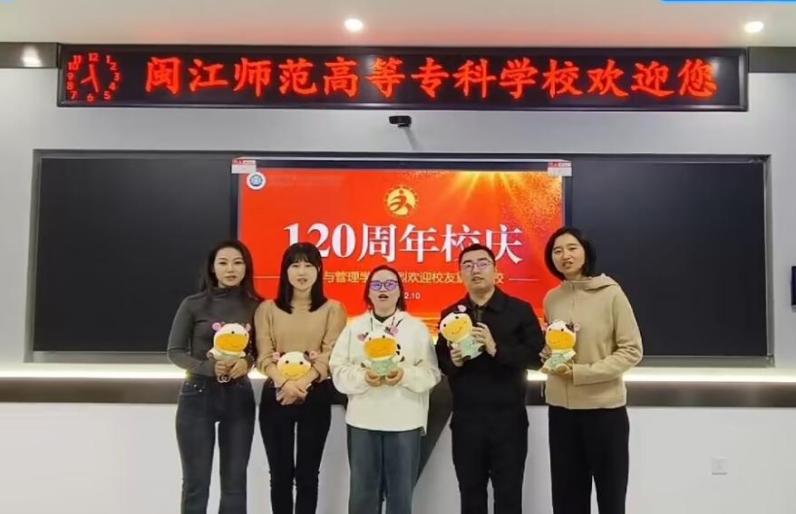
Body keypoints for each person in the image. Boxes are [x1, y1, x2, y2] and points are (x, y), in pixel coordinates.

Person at [435, 243, 544, 514]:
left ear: (496, 270)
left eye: (482, 263)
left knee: (509, 496)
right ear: (460, 274)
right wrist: (454, 362)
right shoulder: (450, 315)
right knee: (470, 495)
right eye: (468, 265)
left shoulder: (519, 310)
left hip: (509, 421)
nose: (475, 270)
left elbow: (537, 357)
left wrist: (497, 349)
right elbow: (440, 360)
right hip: (466, 421)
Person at [542, 226, 643, 514]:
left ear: (586, 252)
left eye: (572, 248)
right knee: (566, 499)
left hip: (604, 411)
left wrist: (580, 373)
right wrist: (548, 354)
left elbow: (632, 351)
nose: (565, 255)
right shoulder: (552, 298)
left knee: (610, 497)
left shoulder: (611, 294)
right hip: (561, 412)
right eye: (557, 251)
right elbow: (557, 344)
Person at [330, 265, 440, 514]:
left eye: (390, 285)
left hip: (405, 422)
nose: (383, 290)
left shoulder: (416, 328)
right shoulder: (354, 328)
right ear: (368, 292)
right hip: (362, 421)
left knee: (400, 496)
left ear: (399, 292)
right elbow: (337, 370)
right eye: (376, 285)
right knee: (362, 495)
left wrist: (404, 375)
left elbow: (432, 373)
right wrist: (362, 377)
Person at [167, 240, 262, 514]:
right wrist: (208, 368)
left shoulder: (257, 306)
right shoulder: (193, 304)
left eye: (237, 262)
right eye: (223, 262)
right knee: (196, 483)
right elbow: (175, 352)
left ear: (246, 268)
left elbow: (260, 351)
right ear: (212, 268)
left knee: (234, 483)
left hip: (239, 396)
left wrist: (247, 362)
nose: (231, 269)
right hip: (197, 396)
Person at [254, 242, 347, 514]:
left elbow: (329, 355)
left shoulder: (333, 309)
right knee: (279, 475)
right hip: (276, 395)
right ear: (285, 271)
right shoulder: (267, 309)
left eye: (309, 265)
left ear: (319, 270)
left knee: (308, 475)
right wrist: (285, 383)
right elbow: (263, 356)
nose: (302, 272)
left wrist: (302, 383)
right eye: (295, 265)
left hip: (315, 395)